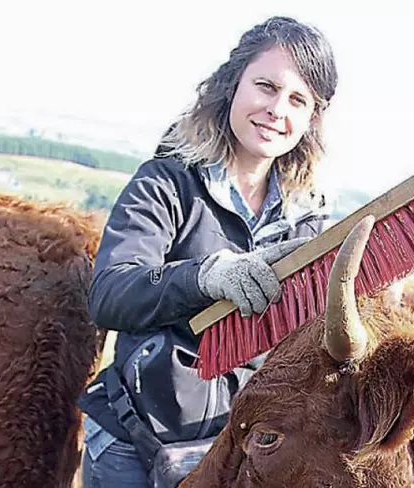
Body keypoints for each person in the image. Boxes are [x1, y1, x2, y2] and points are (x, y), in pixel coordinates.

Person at [77, 15, 338, 487]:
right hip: (132, 441)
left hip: (229, 457)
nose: (277, 110)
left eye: (298, 100)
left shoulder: (310, 220)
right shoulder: (167, 183)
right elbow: (111, 293)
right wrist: (203, 278)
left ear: (311, 119)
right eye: (266, 86)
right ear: (233, 84)